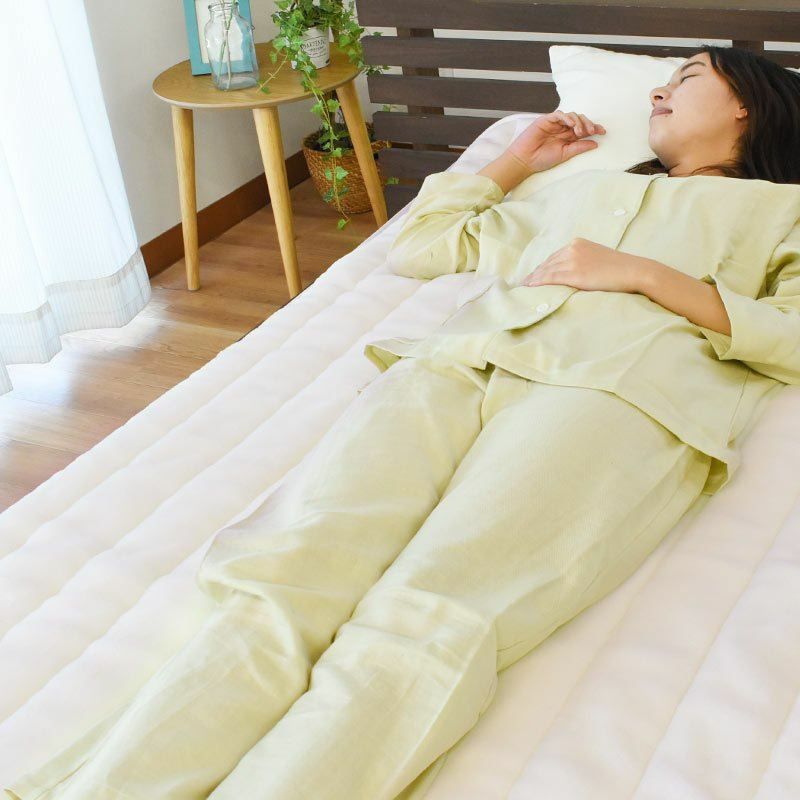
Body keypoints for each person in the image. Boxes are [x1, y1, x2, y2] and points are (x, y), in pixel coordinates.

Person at [6, 45, 800, 800]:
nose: (657, 91)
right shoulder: (580, 191)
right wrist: (516, 160)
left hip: (614, 394)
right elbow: (421, 243)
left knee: (432, 613)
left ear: (749, 104)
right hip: (453, 367)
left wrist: (643, 275)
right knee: (289, 575)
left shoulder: (783, 211)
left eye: (686, 78)